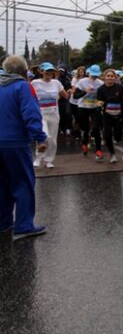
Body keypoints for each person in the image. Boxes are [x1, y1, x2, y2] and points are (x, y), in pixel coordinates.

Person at [0, 55, 48, 240]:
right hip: (16, 143)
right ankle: (23, 225)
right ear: (24, 70)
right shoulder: (23, 87)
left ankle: (3, 222)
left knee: (2, 184)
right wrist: (40, 137)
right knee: (23, 183)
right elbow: (30, 113)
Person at [31, 62, 68, 168]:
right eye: (47, 71)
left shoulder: (57, 83)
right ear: (42, 72)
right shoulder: (35, 83)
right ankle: (38, 158)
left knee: (52, 140)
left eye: (51, 71)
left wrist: (68, 93)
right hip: (40, 114)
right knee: (44, 136)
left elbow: (65, 96)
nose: (49, 73)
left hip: (54, 114)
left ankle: (49, 160)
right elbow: (29, 96)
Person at [74, 64, 104, 160]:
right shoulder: (82, 82)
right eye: (93, 74)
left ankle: (98, 150)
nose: (94, 76)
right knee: (85, 128)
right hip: (83, 107)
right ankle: (85, 144)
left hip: (95, 107)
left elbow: (102, 96)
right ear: (89, 73)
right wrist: (85, 91)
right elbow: (75, 96)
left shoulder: (100, 83)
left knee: (96, 128)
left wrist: (101, 101)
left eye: (96, 75)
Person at [97, 69, 123, 164]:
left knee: (118, 136)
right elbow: (99, 101)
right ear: (104, 77)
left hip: (118, 114)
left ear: (115, 78)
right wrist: (100, 104)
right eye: (108, 76)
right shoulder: (101, 89)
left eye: (112, 76)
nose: (110, 78)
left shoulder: (120, 88)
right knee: (107, 135)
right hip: (107, 115)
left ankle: (116, 139)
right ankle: (112, 154)